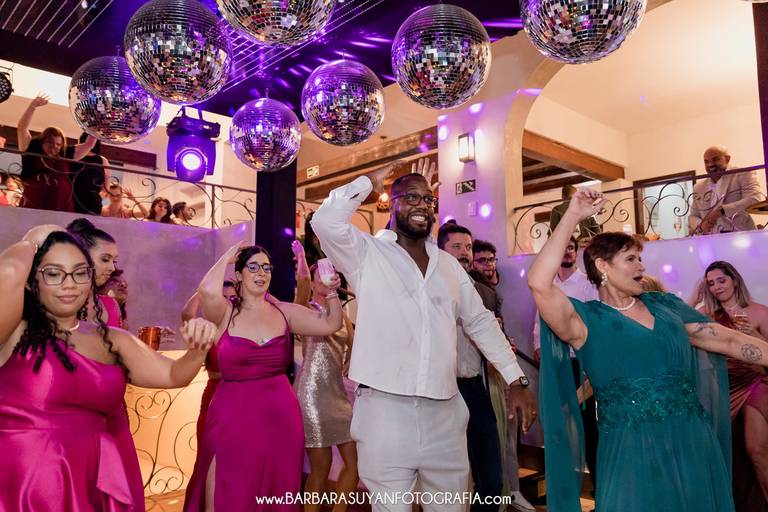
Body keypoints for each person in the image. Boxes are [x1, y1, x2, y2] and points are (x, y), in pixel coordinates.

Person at [311, 158, 535, 512]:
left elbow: (480, 322)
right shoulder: (367, 254)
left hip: (445, 411)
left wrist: (516, 379)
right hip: (385, 411)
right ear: (393, 204)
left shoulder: (449, 266)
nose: (422, 205)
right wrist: (368, 183)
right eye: (411, 197)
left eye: (428, 200)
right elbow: (324, 222)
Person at [526, 186, 768, 512]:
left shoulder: (665, 306)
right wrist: (572, 215)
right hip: (630, 450)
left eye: (640, 258)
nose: (641, 266)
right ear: (602, 266)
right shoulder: (585, 321)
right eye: (631, 259)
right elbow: (539, 283)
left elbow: (728, 340)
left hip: (690, 440)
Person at [0, 224, 217, 511]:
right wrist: (34, 238)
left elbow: (173, 374)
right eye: (53, 273)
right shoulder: (14, 332)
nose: (69, 284)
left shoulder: (112, 339)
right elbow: (8, 272)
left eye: (80, 273)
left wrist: (198, 348)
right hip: (25, 481)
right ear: (31, 282)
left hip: (92, 478)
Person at [184, 242, 344, 511]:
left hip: (281, 418)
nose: (262, 273)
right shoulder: (225, 313)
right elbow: (207, 290)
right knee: (228, 488)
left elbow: (331, 323)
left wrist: (331, 293)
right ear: (239, 274)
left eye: (267, 268)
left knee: (277, 488)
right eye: (253, 267)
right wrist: (228, 255)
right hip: (233, 416)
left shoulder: (284, 311)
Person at [438, 222, 535, 512]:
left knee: (491, 477)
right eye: (457, 246)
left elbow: (492, 335)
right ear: (440, 251)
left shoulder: (485, 293)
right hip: (441, 391)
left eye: (468, 247)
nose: (464, 253)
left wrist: (508, 365)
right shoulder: (428, 289)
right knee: (444, 478)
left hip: (475, 388)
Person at [66, 217, 144, 506]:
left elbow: (119, 360)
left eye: (114, 260)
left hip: (113, 416)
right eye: (105, 259)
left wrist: (140, 347)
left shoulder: (110, 306)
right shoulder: (53, 306)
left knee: (121, 491)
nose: (112, 267)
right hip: (70, 417)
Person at [531, 235, 599, 498]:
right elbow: (538, 320)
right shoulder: (547, 284)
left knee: (587, 428)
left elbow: (593, 322)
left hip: (580, 365)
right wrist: (538, 346)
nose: (568, 252)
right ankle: (560, 487)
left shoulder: (587, 284)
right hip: (555, 364)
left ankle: (599, 488)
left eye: (572, 248)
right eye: (564, 248)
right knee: (556, 425)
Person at [699, 261, 768, 512]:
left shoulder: (759, 311)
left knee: (756, 450)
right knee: (729, 454)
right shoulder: (706, 316)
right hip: (723, 389)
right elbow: (676, 328)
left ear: (735, 280)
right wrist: (696, 297)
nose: (717, 287)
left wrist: (753, 335)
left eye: (722, 280)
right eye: (711, 283)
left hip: (755, 382)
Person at [294, 261, 358, 512]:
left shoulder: (341, 315)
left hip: (338, 395)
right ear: (312, 283)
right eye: (320, 275)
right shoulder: (305, 310)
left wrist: (351, 362)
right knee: (320, 468)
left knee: (354, 465)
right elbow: (300, 289)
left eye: (330, 273)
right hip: (312, 395)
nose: (327, 277)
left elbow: (355, 345)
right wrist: (301, 262)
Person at [181, 280, 236, 509]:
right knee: (208, 457)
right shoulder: (206, 330)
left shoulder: (243, 327)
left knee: (235, 460)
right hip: (214, 397)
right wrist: (204, 290)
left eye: (232, 298)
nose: (227, 302)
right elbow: (187, 314)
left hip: (241, 400)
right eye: (223, 297)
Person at [16, 93, 96, 212]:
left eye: (58, 144)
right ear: (42, 142)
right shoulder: (32, 148)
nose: (54, 147)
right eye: (50, 143)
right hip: (34, 203)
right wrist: (32, 106)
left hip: (61, 205)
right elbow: (22, 128)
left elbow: (88, 145)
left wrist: (95, 122)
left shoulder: (64, 153)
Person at [689, 146, 761, 234]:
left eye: (715, 159)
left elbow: (754, 199)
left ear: (727, 159)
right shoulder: (699, 187)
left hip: (742, 236)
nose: (710, 165)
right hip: (710, 239)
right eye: (706, 162)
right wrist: (701, 225)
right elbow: (692, 216)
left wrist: (722, 210)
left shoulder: (743, 173)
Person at [71, 132, 110, 215]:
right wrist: (99, 197)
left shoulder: (75, 156)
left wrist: (99, 197)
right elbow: (106, 188)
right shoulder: (103, 161)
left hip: (74, 198)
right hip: (89, 200)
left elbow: (106, 188)